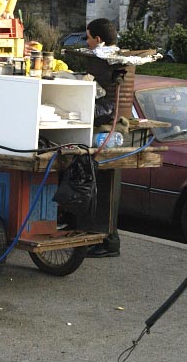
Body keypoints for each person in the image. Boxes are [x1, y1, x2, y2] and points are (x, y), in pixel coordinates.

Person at [85, 17, 121, 258]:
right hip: (109, 124)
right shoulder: (114, 59)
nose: (86, 42)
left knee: (104, 190)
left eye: (88, 38)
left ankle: (107, 242)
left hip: (106, 123)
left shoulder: (107, 60)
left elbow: (108, 102)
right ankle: (103, 238)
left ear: (98, 40)